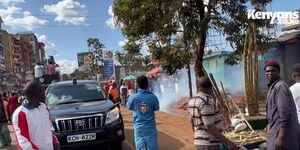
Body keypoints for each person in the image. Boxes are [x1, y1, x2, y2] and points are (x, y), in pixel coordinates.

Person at [188, 76, 237, 150]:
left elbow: (192, 122)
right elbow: (210, 126)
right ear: (210, 88)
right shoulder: (206, 102)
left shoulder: (192, 101)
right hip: (209, 143)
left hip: (199, 141)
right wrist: (229, 143)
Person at [12, 81, 60, 150]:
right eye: (43, 93)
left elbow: (49, 128)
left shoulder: (44, 108)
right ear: (36, 95)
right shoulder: (20, 113)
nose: (45, 96)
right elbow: (23, 142)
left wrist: (55, 143)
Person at [264, 61, 299, 150]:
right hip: (275, 130)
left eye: (273, 71)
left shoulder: (280, 86)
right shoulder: (273, 87)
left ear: (278, 72)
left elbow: (285, 114)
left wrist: (281, 137)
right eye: (267, 71)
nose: (270, 73)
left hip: (282, 134)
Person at [126, 75, 159, 150]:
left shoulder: (133, 97)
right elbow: (156, 108)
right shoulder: (153, 97)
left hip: (139, 128)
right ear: (147, 84)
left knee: (140, 147)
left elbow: (128, 107)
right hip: (150, 128)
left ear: (137, 85)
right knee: (153, 147)